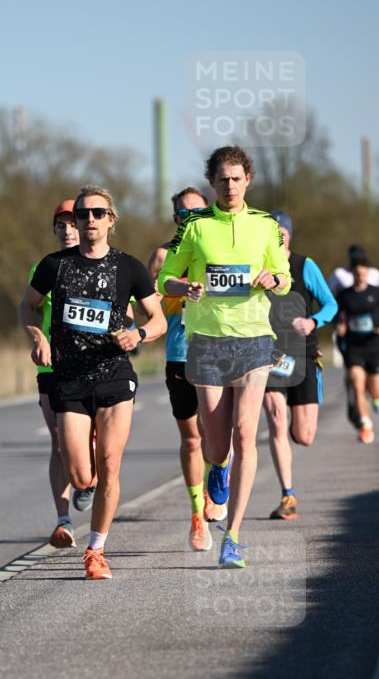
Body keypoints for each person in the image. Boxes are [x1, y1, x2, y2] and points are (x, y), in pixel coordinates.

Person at [19, 184, 166, 579]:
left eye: (97, 213)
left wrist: (139, 335)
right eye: (82, 214)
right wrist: (39, 337)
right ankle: (89, 477)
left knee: (111, 463)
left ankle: (96, 550)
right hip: (69, 378)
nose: (88, 221)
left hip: (115, 374)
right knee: (82, 475)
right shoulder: (55, 265)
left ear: (111, 220)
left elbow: (159, 319)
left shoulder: (129, 268)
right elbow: (26, 307)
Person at [158, 145, 291, 568]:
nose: (230, 185)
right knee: (217, 443)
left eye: (236, 178)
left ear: (247, 180)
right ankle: (219, 466)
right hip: (207, 342)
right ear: (212, 183)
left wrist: (274, 278)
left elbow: (284, 278)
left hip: (253, 339)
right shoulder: (195, 227)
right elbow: (165, 278)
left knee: (245, 432)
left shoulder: (265, 224)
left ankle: (232, 536)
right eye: (222, 179)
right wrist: (186, 288)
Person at [147, 187, 227, 552]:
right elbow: (151, 306)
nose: (190, 217)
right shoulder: (164, 255)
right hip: (180, 353)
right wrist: (178, 291)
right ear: (176, 218)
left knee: (216, 437)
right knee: (193, 438)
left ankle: (216, 483)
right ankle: (197, 514)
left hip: (216, 349)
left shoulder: (220, 246)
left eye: (198, 211)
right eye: (183, 214)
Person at [262, 211, 338, 519]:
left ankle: (296, 427)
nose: (278, 237)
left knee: (304, 435)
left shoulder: (305, 266)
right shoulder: (259, 268)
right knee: (277, 421)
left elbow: (331, 303)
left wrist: (313, 321)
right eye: (273, 232)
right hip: (270, 355)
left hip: (304, 354)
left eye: (282, 232)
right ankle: (288, 495)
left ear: (290, 235)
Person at [27, 200, 78, 548]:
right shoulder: (46, 266)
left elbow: (128, 309)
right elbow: (27, 307)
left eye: (72, 222)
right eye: (60, 224)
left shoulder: (106, 265)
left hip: (94, 366)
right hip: (53, 366)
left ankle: (87, 479)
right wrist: (39, 337)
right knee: (59, 441)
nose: (67, 229)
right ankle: (64, 522)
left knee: (90, 445)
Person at [328, 245, 379, 429]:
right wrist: (338, 326)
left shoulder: (376, 291)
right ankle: (364, 424)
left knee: (375, 389)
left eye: (363, 274)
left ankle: (375, 400)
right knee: (357, 383)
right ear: (353, 275)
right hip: (353, 345)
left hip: (373, 344)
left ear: (367, 273)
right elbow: (335, 313)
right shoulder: (344, 295)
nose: (360, 278)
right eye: (357, 275)